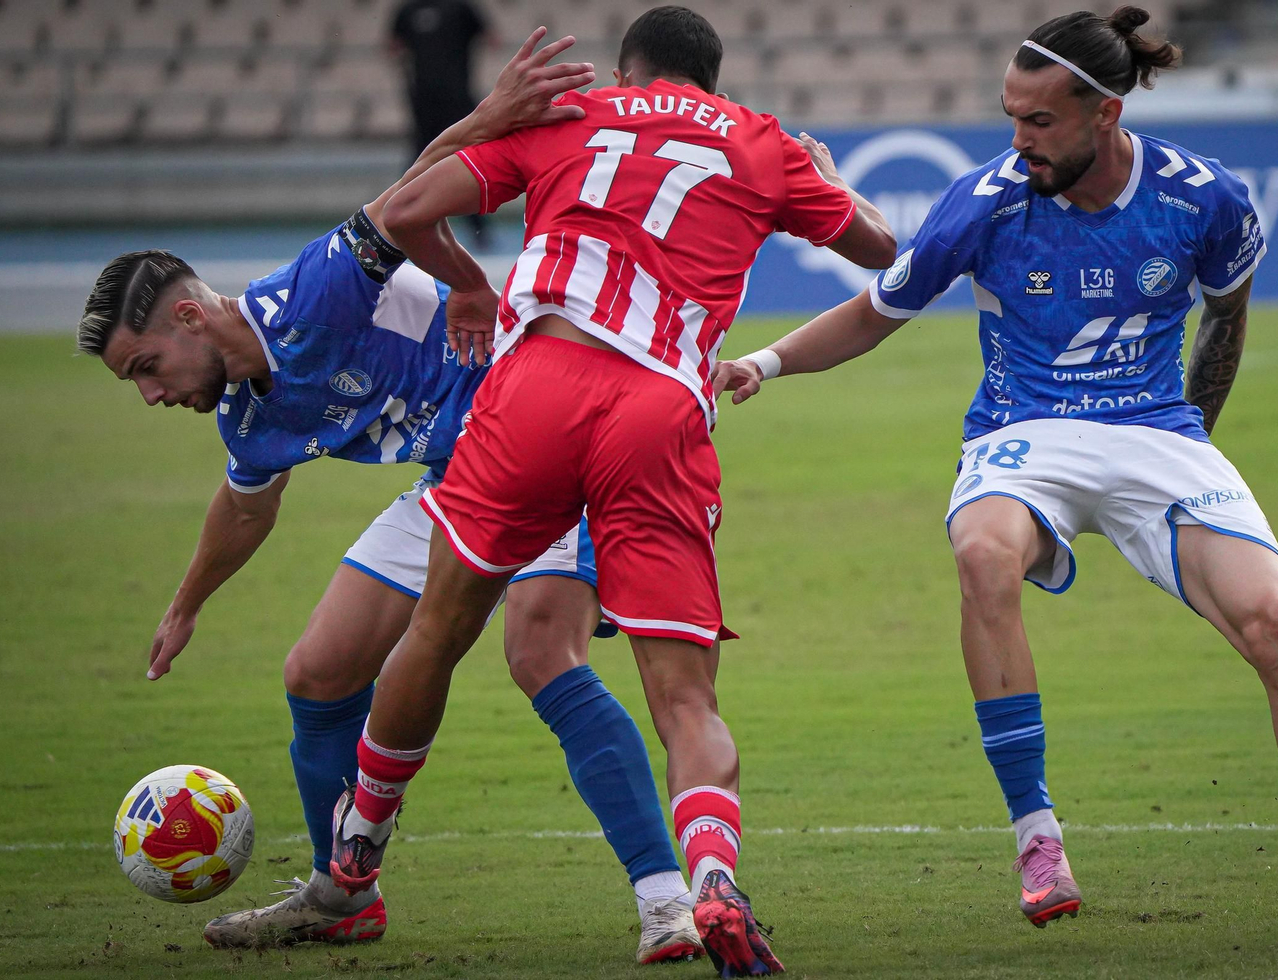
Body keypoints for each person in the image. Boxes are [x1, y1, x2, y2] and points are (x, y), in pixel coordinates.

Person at [713, 6, 1278, 949]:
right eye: (1011, 117)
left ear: (1103, 112)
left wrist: (1190, 452)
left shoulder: (1203, 198)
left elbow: (1227, 319)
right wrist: (764, 365)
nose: (1017, 140)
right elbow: (876, 308)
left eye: (1039, 122)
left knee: (1277, 625)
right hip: (1026, 432)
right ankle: (1037, 838)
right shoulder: (985, 199)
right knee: (983, 555)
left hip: (1156, 433)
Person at [77, 32, 705, 965]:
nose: (152, 394)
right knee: (319, 671)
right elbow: (247, 506)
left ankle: (668, 902)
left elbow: (407, 196)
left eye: (146, 368)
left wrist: (490, 123)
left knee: (540, 650)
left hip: (544, 438)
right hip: (457, 482)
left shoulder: (309, 295)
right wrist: (185, 605)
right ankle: (345, 893)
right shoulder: (246, 418)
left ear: (186, 317)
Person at [324, 7, 896, 975]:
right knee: (684, 695)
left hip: (536, 385)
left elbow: (407, 207)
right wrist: (833, 184)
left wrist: (466, 279)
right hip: (661, 408)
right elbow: (882, 252)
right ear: (709, 84)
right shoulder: (759, 142)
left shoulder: (571, 116)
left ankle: (360, 839)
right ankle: (711, 876)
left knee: (439, 625)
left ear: (630, 69)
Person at [390, 0, 497, 248]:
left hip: (457, 98)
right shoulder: (409, 10)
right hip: (423, 101)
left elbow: (491, 37)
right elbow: (393, 44)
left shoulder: (460, 7)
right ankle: (402, 220)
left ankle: (478, 227)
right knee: (420, 160)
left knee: (465, 158)